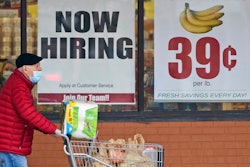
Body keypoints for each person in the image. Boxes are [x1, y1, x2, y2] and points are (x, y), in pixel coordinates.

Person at [0, 53, 61, 167]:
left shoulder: (19, 83)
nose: (40, 69)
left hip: (10, 145)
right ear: (25, 69)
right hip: (11, 147)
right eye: (37, 66)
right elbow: (28, 113)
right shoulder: (19, 86)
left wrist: (49, 130)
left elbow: (27, 116)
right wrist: (53, 129)